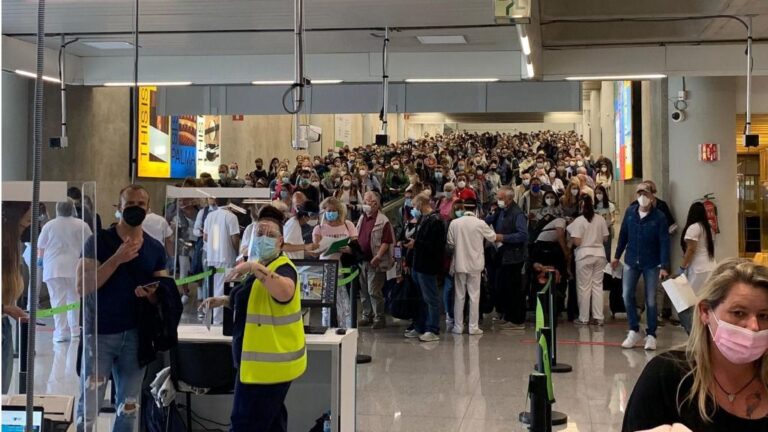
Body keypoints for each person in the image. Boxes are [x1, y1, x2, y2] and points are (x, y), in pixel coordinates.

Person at [622, 258, 768, 432]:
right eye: (738, 313)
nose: (754, 326)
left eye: (764, 316)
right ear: (705, 312)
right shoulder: (666, 376)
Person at [200, 206, 306, 432]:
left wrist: (253, 266)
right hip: (255, 364)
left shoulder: (282, 268)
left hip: (267, 368)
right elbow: (255, 301)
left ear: (281, 243)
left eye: (270, 235)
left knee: (245, 423)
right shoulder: (261, 268)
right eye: (259, 234)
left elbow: (284, 292)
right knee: (271, 423)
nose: (263, 239)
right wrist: (224, 300)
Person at [76, 185, 169, 432]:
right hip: (100, 334)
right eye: (129, 203)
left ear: (148, 209)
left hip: (136, 338)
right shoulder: (98, 241)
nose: (135, 208)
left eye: (141, 204)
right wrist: (117, 259)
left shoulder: (155, 248)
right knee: (89, 407)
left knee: (129, 408)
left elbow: (164, 294)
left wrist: (153, 296)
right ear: (118, 207)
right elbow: (82, 286)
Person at [612, 183, 671, 351]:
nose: (642, 197)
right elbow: (623, 235)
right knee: (626, 294)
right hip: (631, 260)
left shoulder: (659, 217)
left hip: (651, 262)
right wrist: (617, 256)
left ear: (652, 196)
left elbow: (664, 242)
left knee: (651, 299)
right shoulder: (630, 213)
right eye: (639, 193)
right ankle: (633, 329)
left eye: (645, 193)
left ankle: (651, 334)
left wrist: (664, 265)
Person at [38, 200, 93, 342]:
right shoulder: (82, 225)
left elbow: (41, 245)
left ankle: (61, 331)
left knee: (57, 300)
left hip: (53, 268)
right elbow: (91, 243)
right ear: (72, 208)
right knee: (74, 299)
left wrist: (40, 261)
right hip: (75, 267)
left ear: (57, 209)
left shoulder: (49, 225)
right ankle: (75, 329)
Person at [447, 204, 500, 335]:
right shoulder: (480, 223)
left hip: (459, 263)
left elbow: (450, 243)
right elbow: (493, 237)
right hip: (476, 264)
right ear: (475, 211)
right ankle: (473, 327)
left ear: (464, 210)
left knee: (459, 296)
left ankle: (458, 327)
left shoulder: (454, 223)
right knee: (474, 296)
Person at [402, 192, 447, 342]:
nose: (413, 209)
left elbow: (436, 246)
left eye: (414, 206)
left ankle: (433, 328)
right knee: (420, 297)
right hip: (417, 263)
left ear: (421, 204)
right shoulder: (422, 219)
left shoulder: (436, 221)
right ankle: (420, 325)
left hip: (428, 265)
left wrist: (417, 244)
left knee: (430, 297)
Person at [486, 187, 529, 330]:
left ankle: (517, 320)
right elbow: (488, 221)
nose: (499, 201)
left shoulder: (517, 214)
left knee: (514, 288)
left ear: (509, 199)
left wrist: (503, 237)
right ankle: (507, 315)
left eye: (501, 198)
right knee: (503, 287)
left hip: (514, 256)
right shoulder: (501, 211)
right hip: (502, 255)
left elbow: (523, 235)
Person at [313, 197, 358, 328]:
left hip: (344, 266)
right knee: (327, 301)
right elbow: (315, 250)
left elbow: (356, 246)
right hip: (326, 267)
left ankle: (347, 328)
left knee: (345, 300)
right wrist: (324, 245)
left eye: (334, 210)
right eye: (329, 210)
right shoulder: (319, 228)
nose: (331, 213)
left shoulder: (348, 225)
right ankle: (327, 327)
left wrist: (349, 249)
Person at [2, 201, 31, 394]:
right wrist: (5, 308)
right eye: (26, 222)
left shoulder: (13, 250)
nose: (28, 227)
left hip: (5, 326)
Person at [567, 196, 609, 326]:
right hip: (600, 255)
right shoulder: (600, 219)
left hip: (584, 255)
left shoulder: (579, 221)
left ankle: (584, 318)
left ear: (581, 206)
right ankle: (598, 317)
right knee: (597, 286)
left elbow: (577, 241)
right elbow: (606, 239)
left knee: (584, 288)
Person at [356, 192, 395, 329]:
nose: (365, 203)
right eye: (365, 200)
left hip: (375, 261)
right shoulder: (362, 218)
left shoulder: (383, 220)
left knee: (374, 290)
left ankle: (379, 317)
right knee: (363, 290)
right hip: (362, 260)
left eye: (368, 201)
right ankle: (367, 315)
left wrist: (378, 256)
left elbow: (386, 241)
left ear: (375, 203)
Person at [677, 202, 717, 334]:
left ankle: (693, 332)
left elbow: (691, 250)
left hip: (697, 270)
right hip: (711, 267)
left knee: (687, 303)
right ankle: (706, 331)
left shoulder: (693, 228)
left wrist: (682, 267)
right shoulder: (709, 227)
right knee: (706, 302)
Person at [203, 198, 241, 325]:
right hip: (226, 258)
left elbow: (205, 237)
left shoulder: (210, 216)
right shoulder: (231, 217)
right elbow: (235, 239)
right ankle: (219, 321)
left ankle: (214, 319)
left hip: (212, 257)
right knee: (222, 291)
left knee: (213, 289)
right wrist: (238, 254)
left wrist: (215, 246)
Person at [594, 185, 617, 259]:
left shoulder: (610, 205)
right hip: (595, 231)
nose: (598, 195)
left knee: (607, 252)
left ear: (604, 193)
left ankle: (607, 268)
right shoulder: (593, 206)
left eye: (600, 193)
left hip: (606, 230)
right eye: (596, 193)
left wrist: (609, 223)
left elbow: (613, 218)